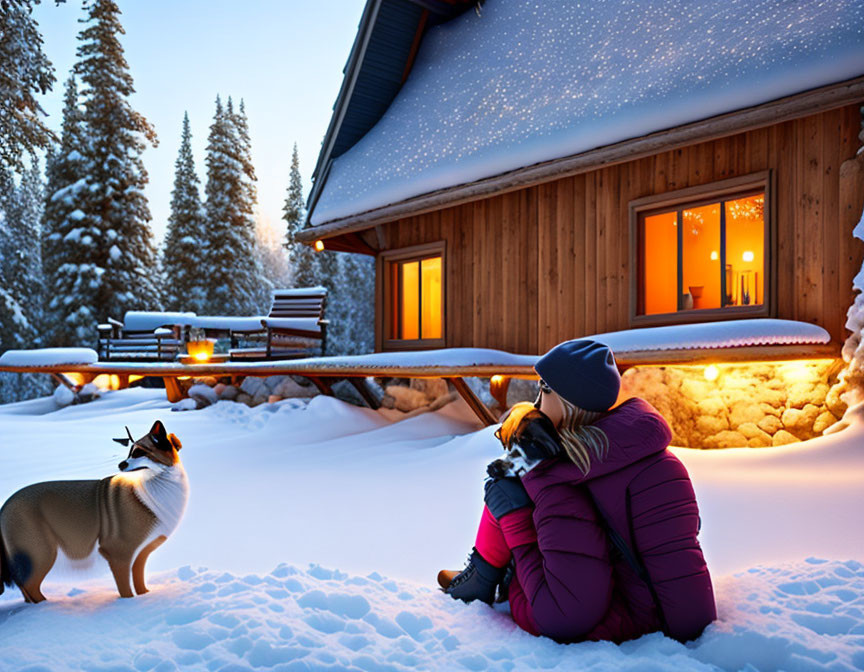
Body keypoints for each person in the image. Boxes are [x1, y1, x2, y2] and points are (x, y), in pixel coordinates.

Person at [438, 339, 716, 643]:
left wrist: (694, 644)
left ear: (569, 401)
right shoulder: (558, 452)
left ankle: (492, 574)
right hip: (571, 588)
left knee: (513, 490)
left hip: (607, 617)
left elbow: (680, 577)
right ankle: (483, 572)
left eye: (544, 388)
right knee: (509, 478)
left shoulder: (653, 472)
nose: (536, 400)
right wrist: (520, 458)